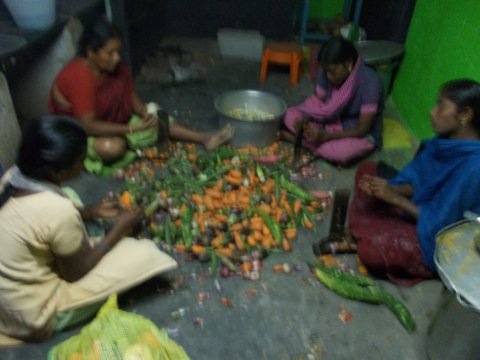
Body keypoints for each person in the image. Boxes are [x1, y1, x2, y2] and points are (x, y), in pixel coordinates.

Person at [0, 115, 177, 344]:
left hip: (7, 300)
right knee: (144, 252)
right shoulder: (57, 211)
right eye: (80, 161)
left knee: (71, 198)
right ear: (56, 172)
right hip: (32, 314)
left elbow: (39, 220)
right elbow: (75, 273)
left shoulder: (13, 175)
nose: (84, 166)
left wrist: (90, 212)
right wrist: (118, 231)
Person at [49, 18, 234, 173]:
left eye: (118, 52)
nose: (117, 58)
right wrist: (131, 130)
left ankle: (204, 138)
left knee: (157, 115)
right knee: (113, 148)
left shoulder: (115, 68)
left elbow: (131, 96)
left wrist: (143, 111)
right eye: (110, 53)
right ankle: (132, 142)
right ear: (91, 52)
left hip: (113, 123)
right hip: (78, 133)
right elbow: (87, 126)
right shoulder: (80, 74)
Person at [346, 79, 480, 286]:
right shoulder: (445, 141)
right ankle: (380, 226)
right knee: (367, 172)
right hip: (420, 209)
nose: (432, 112)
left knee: (371, 252)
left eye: (441, 106)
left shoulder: (474, 168)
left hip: (438, 238)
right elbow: (419, 179)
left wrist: (395, 199)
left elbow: (443, 227)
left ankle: (382, 232)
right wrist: (392, 189)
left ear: (464, 115)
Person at [280, 36, 384, 165]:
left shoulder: (370, 82)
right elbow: (316, 101)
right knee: (289, 115)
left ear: (349, 64)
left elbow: (362, 129)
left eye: (332, 71)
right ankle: (311, 143)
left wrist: (325, 135)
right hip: (331, 120)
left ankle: (298, 140)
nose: (328, 76)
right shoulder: (327, 70)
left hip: (356, 131)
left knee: (339, 152)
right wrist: (305, 118)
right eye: (325, 71)